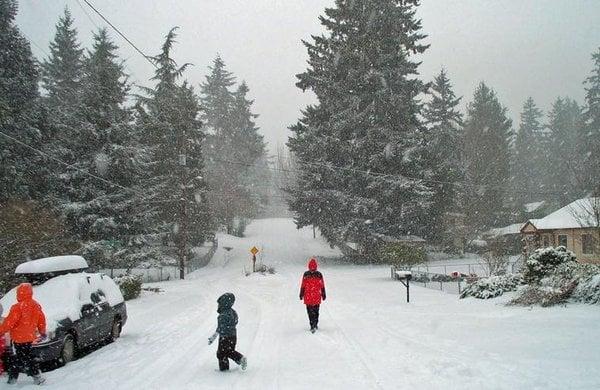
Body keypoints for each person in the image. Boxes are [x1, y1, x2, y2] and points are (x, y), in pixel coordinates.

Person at [0, 283, 46, 385]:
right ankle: (36, 376)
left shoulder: (17, 307)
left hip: (18, 339)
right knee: (27, 357)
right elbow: (41, 320)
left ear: (19, 294)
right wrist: (42, 332)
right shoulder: (36, 305)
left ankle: (13, 380)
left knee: (17, 359)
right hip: (29, 337)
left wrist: (1, 331)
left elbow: (9, 323)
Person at [208, 293, 247, 371]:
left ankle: (224, 370)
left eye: (219, 304)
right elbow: (236, 321)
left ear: (224, 304)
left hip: (225, 337)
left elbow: (220, 328)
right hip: (233, 336)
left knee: (221, 353)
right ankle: (240, 359)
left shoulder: (223, 315)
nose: (218, 306)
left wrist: (213, 337)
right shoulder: (233, 312)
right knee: (229, 351)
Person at [299, 257, 326, 333]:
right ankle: (315, 324)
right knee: (316, 311)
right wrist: (323, 294)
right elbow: (322, 285)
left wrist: (301, 294)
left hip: (308, 297)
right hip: (317, 296)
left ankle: (312, 325)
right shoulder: (319, 274)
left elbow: (303, 285)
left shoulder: (306, 274)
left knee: (310, 312)